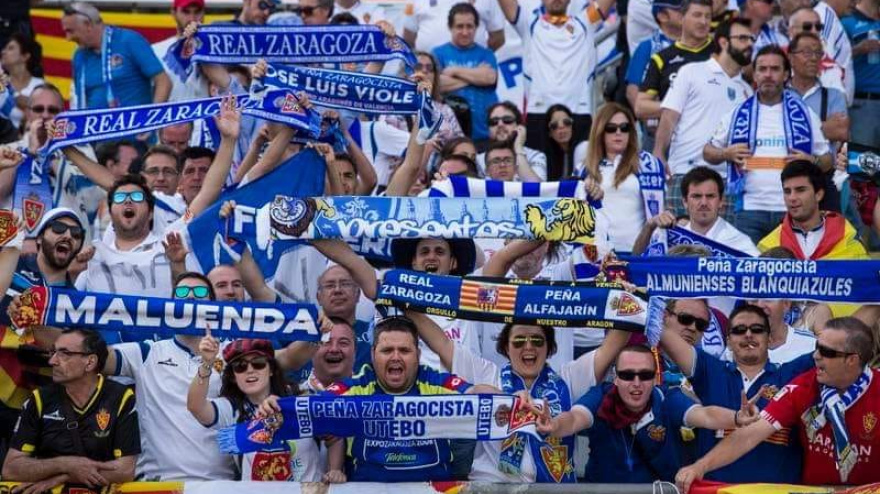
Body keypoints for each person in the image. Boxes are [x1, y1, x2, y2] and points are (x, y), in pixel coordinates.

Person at [409, 304, 630, 483]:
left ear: (550, 348)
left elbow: (610, 348)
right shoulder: (488, 374)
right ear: (506, 347)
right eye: (519, 341)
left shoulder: (569, 378)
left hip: (553, 490)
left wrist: (629, 305)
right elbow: (442, 343)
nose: (528, 347)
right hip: (494, 486)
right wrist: (405, 302)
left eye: (537, 340)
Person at [675, 317, 880, 491]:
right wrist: (700, 466)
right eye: (817, 347)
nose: (816, 356)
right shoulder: (803, 386)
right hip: (815, 491)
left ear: (852, 360)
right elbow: (750, 434)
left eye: (827, 352)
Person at [290, 316, 498, 483]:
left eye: (405, 351)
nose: (396, 357)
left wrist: (515, 398)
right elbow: (312, 407)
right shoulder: (357, 387)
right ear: (373, 355)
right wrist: (275, 408)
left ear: (417, 355)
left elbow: (476, 394)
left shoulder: (437, 384)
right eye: (387, 350)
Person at [528, 345, 760, 483]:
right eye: (628, 375)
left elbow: (704, 415)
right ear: (616, 377)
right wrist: (554, 425)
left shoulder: (665, 397)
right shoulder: (601, 395)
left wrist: (737, 418)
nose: (636, 383)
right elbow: (575, 419)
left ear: (655, 378)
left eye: (645, 375)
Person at [662, 304, 816, 484]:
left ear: (769, 338)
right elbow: (662, 331)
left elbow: (842, 345)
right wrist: (626, 291)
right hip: (718, 490)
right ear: (728, 340)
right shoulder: (711, 371)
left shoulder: (793, 373)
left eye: (757, 329)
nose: (748, 334)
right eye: (739, 330)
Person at [704, 46, 832, 243]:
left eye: (775, 69)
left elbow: (828, 160)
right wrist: (725, 154)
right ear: (754, 74)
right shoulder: (736, 113)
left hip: (792, 210)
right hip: (748, 210)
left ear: (786, 74)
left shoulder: (805, 114)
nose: (768, 75)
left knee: (791, 271)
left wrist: (811, 160)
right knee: (748, 271)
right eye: (762, 69)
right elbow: (707, 152)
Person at [2, 329, 139, 491]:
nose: (52, 361)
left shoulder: (121, 398)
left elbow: (125, 471)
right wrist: (65, 464)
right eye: (53, 352)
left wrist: (65, 476)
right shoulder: (39, 399)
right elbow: (11, 468)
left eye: (64, 354)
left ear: (90, 362)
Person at [653, 18, 755, 217]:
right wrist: (658, 153)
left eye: (751, 39)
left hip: (727, 181)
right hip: (685, 173)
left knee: (721, 247)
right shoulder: (692, 72)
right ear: (724, 42)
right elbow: (669, 116)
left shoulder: (748, 91)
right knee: (680, 246)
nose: (749, 44)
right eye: (742, 38)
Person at [188, 336, 323, 482]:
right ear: (234, 377)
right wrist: (207, 364)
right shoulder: (232, 410)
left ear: (271, 370)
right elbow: (196, 406)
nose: (250, 370)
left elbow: (337, 420)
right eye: (240, 366)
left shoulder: (300, 399)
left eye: (258, 363)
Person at [497, 0, 613, 154]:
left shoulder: (585, 21)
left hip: (578, 113)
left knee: (581, 175)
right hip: (539, 114)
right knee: (540, 175)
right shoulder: (529, 23)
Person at [577, 103, 655, 254]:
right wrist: (582, 188)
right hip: (598, 254)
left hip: (638, 252)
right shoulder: (583, 169)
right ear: (600, 131)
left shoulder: (648, 164)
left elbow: (659, 209)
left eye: (624, 128)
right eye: (611, 128)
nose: (618, 132)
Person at [61, 2, 171, 109]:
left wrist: (151, 118)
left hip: (133, 125)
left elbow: (163, 81)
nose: (68, 38)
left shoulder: (128, 41)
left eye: (71, 31)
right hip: (97, 126)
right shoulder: (79, 57)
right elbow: (81, 98)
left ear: (87, 24)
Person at [636, 0, 714, 145]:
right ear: (682, 17)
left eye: (708, 16)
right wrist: (678, 106)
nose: (703, 21)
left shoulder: (722, 52)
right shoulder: (661, 58)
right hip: (675, 144)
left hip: (714, 143)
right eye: (697, 15)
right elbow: (640, 107)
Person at [633, 166, 760, 255]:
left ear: (721, 201)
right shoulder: (668, 236)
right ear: (685, 202)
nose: (703, 203)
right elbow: (636, 263)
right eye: (696, 196)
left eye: (710, 196)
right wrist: (649, 227)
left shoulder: (739, 242)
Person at [787, 32, 850, 211]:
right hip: (784, 179)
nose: (814, 58)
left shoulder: (834, 95)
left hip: (822, 177)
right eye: (807, 52)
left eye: (818, 53)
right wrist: (824, 127)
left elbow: (841, 131)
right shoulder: (779, 94)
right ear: (791, 58)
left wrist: (792, 131)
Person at [758, 160, 867, 260]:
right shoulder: (769, 245)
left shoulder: (847, 236)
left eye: (800, 190)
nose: (792, 197)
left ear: (818, 194)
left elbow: (866, 278)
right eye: (787, 191)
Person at [433, 3, 499, 143]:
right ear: (450, 27)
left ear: (476, 27)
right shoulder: (438, 53)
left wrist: (454, 71)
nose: (465, 32)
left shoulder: (486, 54)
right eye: (459, 26)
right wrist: (475, 77)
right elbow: (438, 85)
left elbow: (490, 78)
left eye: (469, 26)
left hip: (485, 132)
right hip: (452, 134)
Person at [625, 0, 681, 112]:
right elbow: (632, 91)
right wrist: (652, 121)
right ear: (662, 16)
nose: (684, 12)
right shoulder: (647, 47)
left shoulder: (700, 45)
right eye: (678, 9)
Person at [151, 0, 208, 103]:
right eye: (186, 12)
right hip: (171, 117)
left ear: (204, 12)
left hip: (207, 117)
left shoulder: (213, 49)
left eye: (197, 12)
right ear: (173, 13)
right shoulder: (156, 50)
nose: (192, 19)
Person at [841, 0, 880, 148]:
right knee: (864, 163)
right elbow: (834, 58)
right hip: (863, 103)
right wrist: (858, 49)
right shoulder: (847, 22)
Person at [476, 102, 547, 181]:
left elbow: (536, 189)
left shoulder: (535, 156)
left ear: (519, 126)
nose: (500, 124)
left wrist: (518, 148)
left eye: (507, 120)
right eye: (494, 122)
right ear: (488, 129)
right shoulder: (479, 160)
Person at [404, 0, 505, 52]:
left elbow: (497, 38)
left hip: (473, 75)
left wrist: (476, 56)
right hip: (429, 76)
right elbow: (408, 39)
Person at [1, 33, 44, 131]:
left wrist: (29, 103)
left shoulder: (40, 85)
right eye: (4, 48)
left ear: (25, 56)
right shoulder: (1, 85)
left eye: (10, 48)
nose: (3, 52)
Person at [544, 105, 577, 180]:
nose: (561, 127)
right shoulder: (544, 157)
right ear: (549, 132)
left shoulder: (583, 149)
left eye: (566, 122)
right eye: (554, 125)